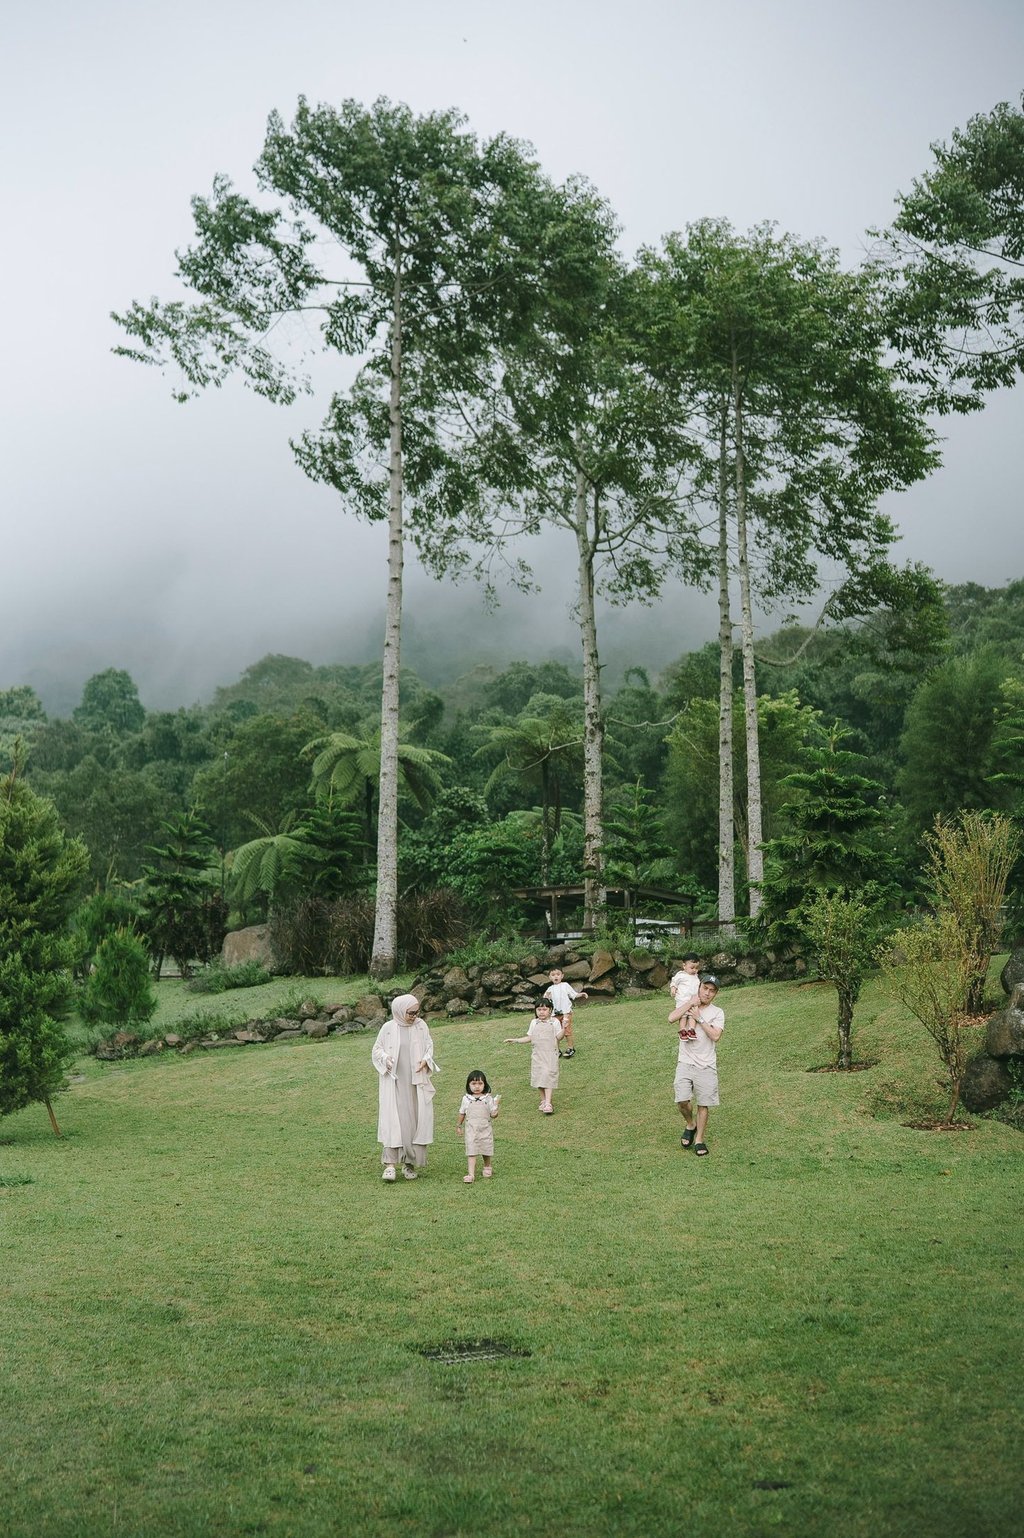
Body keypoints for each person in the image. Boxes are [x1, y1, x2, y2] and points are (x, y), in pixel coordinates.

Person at [371, 994, 438, 1182]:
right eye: (411, 1013)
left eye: (417, 1012)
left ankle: (409, 1165)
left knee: (414, 1122)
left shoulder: (421, 1026)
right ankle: (390, 1165)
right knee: (393, 1121)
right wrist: (386, 1058)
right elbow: (376, 1050)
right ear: (400, 1011)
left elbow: (429, 1046)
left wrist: (426, 1060)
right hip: (395, 1083)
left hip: (415, 1083)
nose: (415, 1016)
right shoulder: (388, 1028)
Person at [668, 975, 725, 1158]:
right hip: (685, 1061)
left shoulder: (718, 1012)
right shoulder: (688, 1003)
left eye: (711, 990)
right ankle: (690, 1124)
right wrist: (690, 1004)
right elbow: (671, 1018)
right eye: (705, 988)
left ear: (715, 994)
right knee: (682, 1100)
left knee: (703, 1103)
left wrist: (699, 1019)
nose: (707, 993)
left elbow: (716, 1036)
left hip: (706, 1064)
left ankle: (699, 1139)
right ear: (699, 987)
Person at [505, 1000, 564, 1114]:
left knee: (548, 1075)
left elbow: (559, 1037)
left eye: (544, 1009)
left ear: (550, 1010)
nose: (541, 1012)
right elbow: (529, 1037)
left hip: (550, 1054)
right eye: (539, 1009)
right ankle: (543, 1101)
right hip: (537, 1055)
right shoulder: (534, 1022)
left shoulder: (555, 1022)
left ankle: (548, 1103)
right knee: (539, 1077)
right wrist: (516, 1040)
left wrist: (564, 1028)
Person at [457, 1069, 500, 1183]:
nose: (477, 1087)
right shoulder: (466, 1099)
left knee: (486, 1148)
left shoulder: (488, 1099)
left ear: (484, 1084)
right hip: (471, 1129)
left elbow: (493, 1114)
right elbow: (462, 1112)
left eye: (480, 1083)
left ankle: (487, 1166)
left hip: (485, 1129)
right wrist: (458, 1125)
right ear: (468, 1085)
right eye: (474, 1084)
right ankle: (471, 1174)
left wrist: (496, 1109)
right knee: (471, 1150)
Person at [544, 967, 587, 1058]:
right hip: (554, 1014)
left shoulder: (565, 985)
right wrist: (547, 998)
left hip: (565, 1013)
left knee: (567, 1031)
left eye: (558, 974)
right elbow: (545, 1001)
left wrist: (581, 994)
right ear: (550, 977)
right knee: (556, 1032)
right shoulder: (549, 989)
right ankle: (556, 1050)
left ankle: (570, 1048)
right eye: (553, 975)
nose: (556, 976)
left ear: (562, 976)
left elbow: (573, 994)